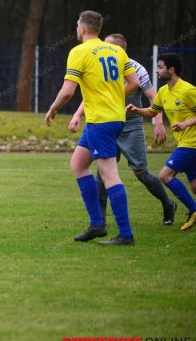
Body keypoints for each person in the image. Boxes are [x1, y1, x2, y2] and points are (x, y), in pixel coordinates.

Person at [45, 11, 141, 246]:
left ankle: (126, 234)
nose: (76, 28)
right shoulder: (117, 50)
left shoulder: (79, 52)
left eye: (77, 24)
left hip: (101, 121)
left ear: (82, 29)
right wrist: (111, 95)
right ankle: (97, 225)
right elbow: (134, 83)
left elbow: (68, 91)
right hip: (112, 118)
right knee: (78, 164)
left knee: (109, 174)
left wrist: (53, 107)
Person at [68, 34, 176, 226]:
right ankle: (100, 219)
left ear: (120, 49)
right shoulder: (97, 62)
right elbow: (93, 94)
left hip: (130, 125)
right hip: (105, 123)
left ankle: (168, 205)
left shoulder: (135, 68)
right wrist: (77, 115)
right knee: (102, 171)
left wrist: (159, 123)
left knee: (141, 172)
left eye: (107, 45)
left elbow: (154, 97)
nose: (102, 48)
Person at [126, 52, 196, 231]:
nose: (156, 71)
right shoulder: (164, 92)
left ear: (171, 70)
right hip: (184, 143)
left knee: (165, 175)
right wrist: (136, 110)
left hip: (192, 143)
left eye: (160, 67)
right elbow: (152, 111)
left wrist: (187, 123)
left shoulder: (188, 90)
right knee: (194, 188)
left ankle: (194, 209)